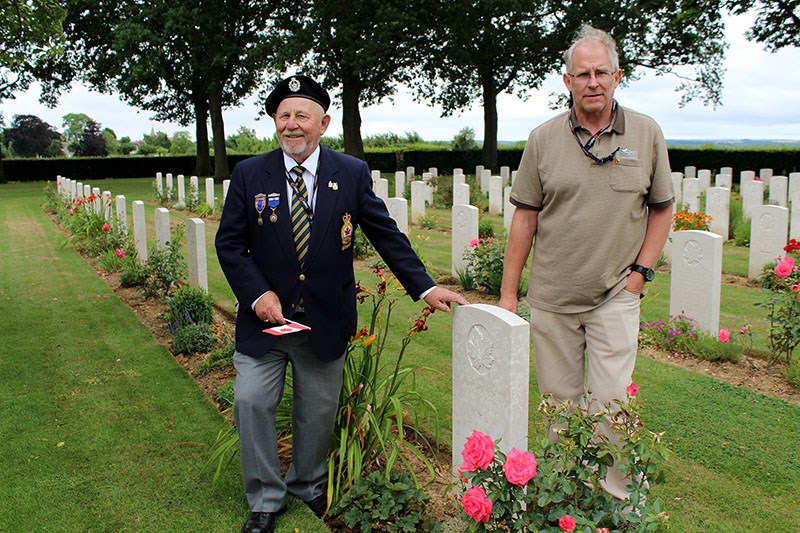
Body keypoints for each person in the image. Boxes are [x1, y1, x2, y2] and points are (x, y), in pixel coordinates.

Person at [215, 74, 468, 533]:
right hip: (265, 323)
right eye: (284, 115)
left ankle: (307, 482)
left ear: (324, 123)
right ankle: (265, 499)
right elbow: (230, 244)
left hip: (324, 320)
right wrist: (257, 293)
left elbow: (385, 233)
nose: (291, 124)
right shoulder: (250, 174)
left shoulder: (349, 172)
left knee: (317, 413)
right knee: (250, 402)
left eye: (301, 115)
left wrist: (426, 288)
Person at [498, 25, 674, 501]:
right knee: (560, 407)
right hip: (554, 296)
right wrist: (509, 294)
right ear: (567, 81)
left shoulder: (646, 133)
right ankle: (568, 498)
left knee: (612, 404)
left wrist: (640, 275)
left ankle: (617, 501)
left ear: (617, 76)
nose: (592, 81)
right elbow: (525, 218)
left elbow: (661, 208)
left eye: (601, 72)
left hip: (616, 292)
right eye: (582, 74)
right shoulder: (542, 139)